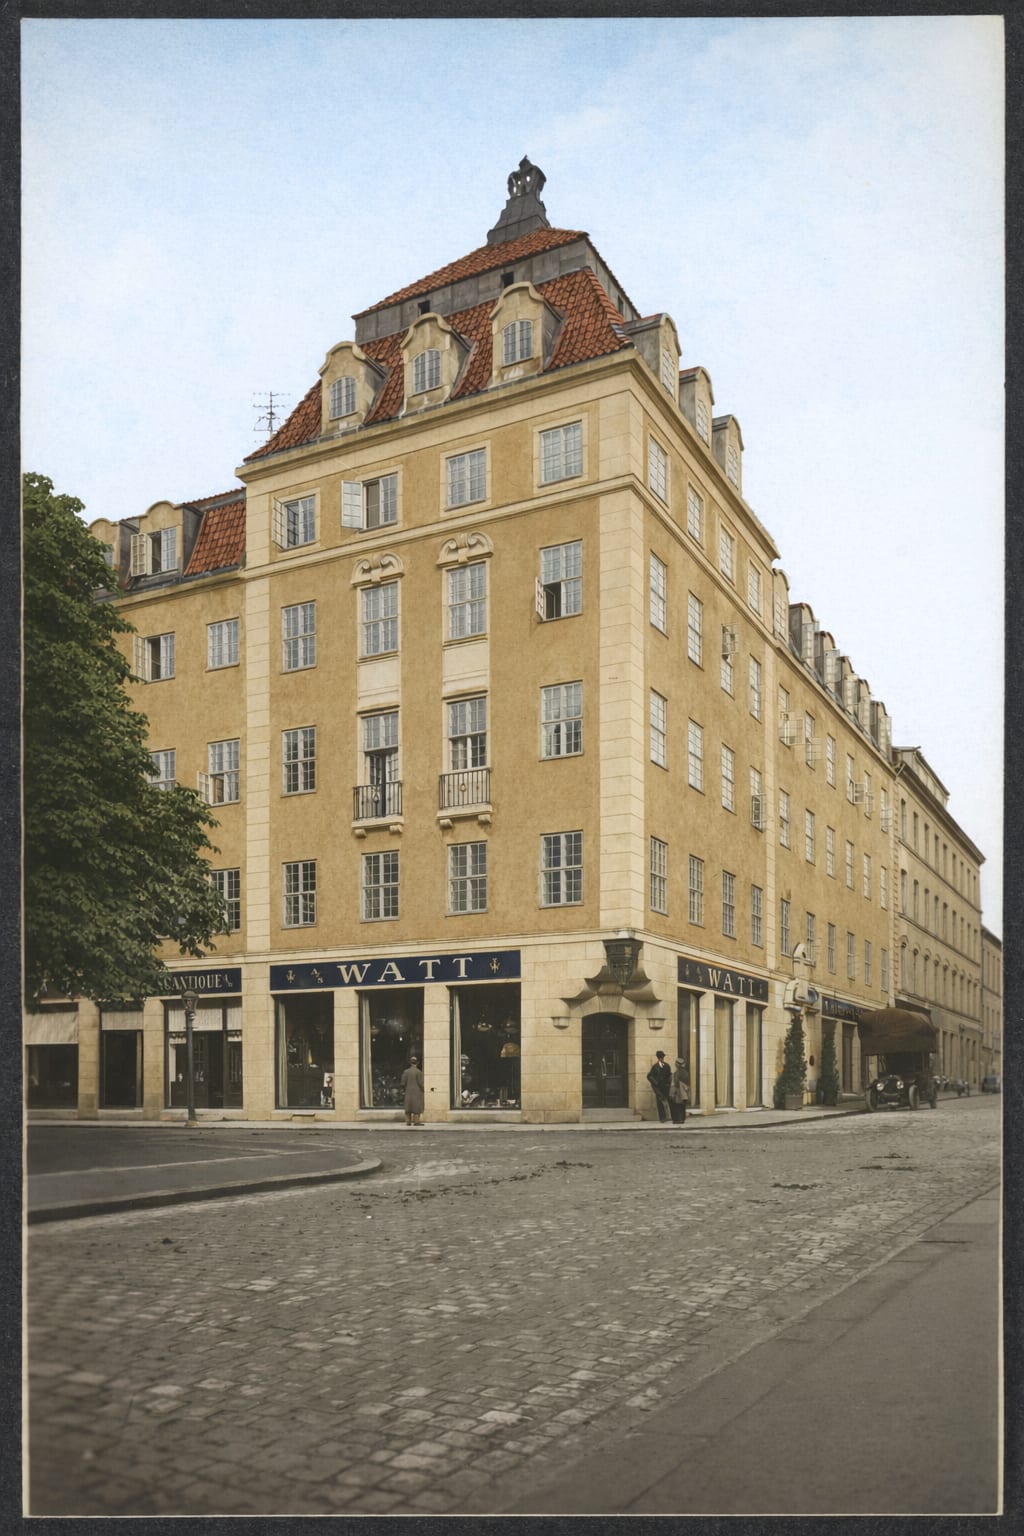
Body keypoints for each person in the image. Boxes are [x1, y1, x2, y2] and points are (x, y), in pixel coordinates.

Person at [646, 1050, 672, 1123]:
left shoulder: (667, 1066)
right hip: (659, 1087)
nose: (661, 1059)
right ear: (658, 1058)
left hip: (666, 1087)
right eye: (660, 1057)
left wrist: (668, 1083)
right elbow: (649, 1076)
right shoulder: (655, 1067)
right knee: (660, 1102)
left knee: (668, 1101)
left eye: (662, 1057)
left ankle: (668, 1116)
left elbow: (670, 1075)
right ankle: (662, 1118)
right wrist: (655, 1083)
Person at [401, 1055, 425, 1126]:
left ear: (410, 1063)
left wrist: (405, 1088)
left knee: (408, 1107)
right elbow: (420, 1083)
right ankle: (416, 1121)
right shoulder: (419, 1072)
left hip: (408, 1092)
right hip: (417, 1092)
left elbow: (402, 1083)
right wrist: (423, 1089)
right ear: (417, 1063)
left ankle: (408, 1121)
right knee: (416, 1107)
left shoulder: (406, 1072)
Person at [669, 1058, 690, 1124]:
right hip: (685, 1092)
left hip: (678, 1092)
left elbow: (676, 1083)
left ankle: (677, 1119)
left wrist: (673, 1093)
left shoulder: (677, 1073)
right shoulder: (686, 1073)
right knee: (682, 1106)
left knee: (676, 1105)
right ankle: (682, 1119)